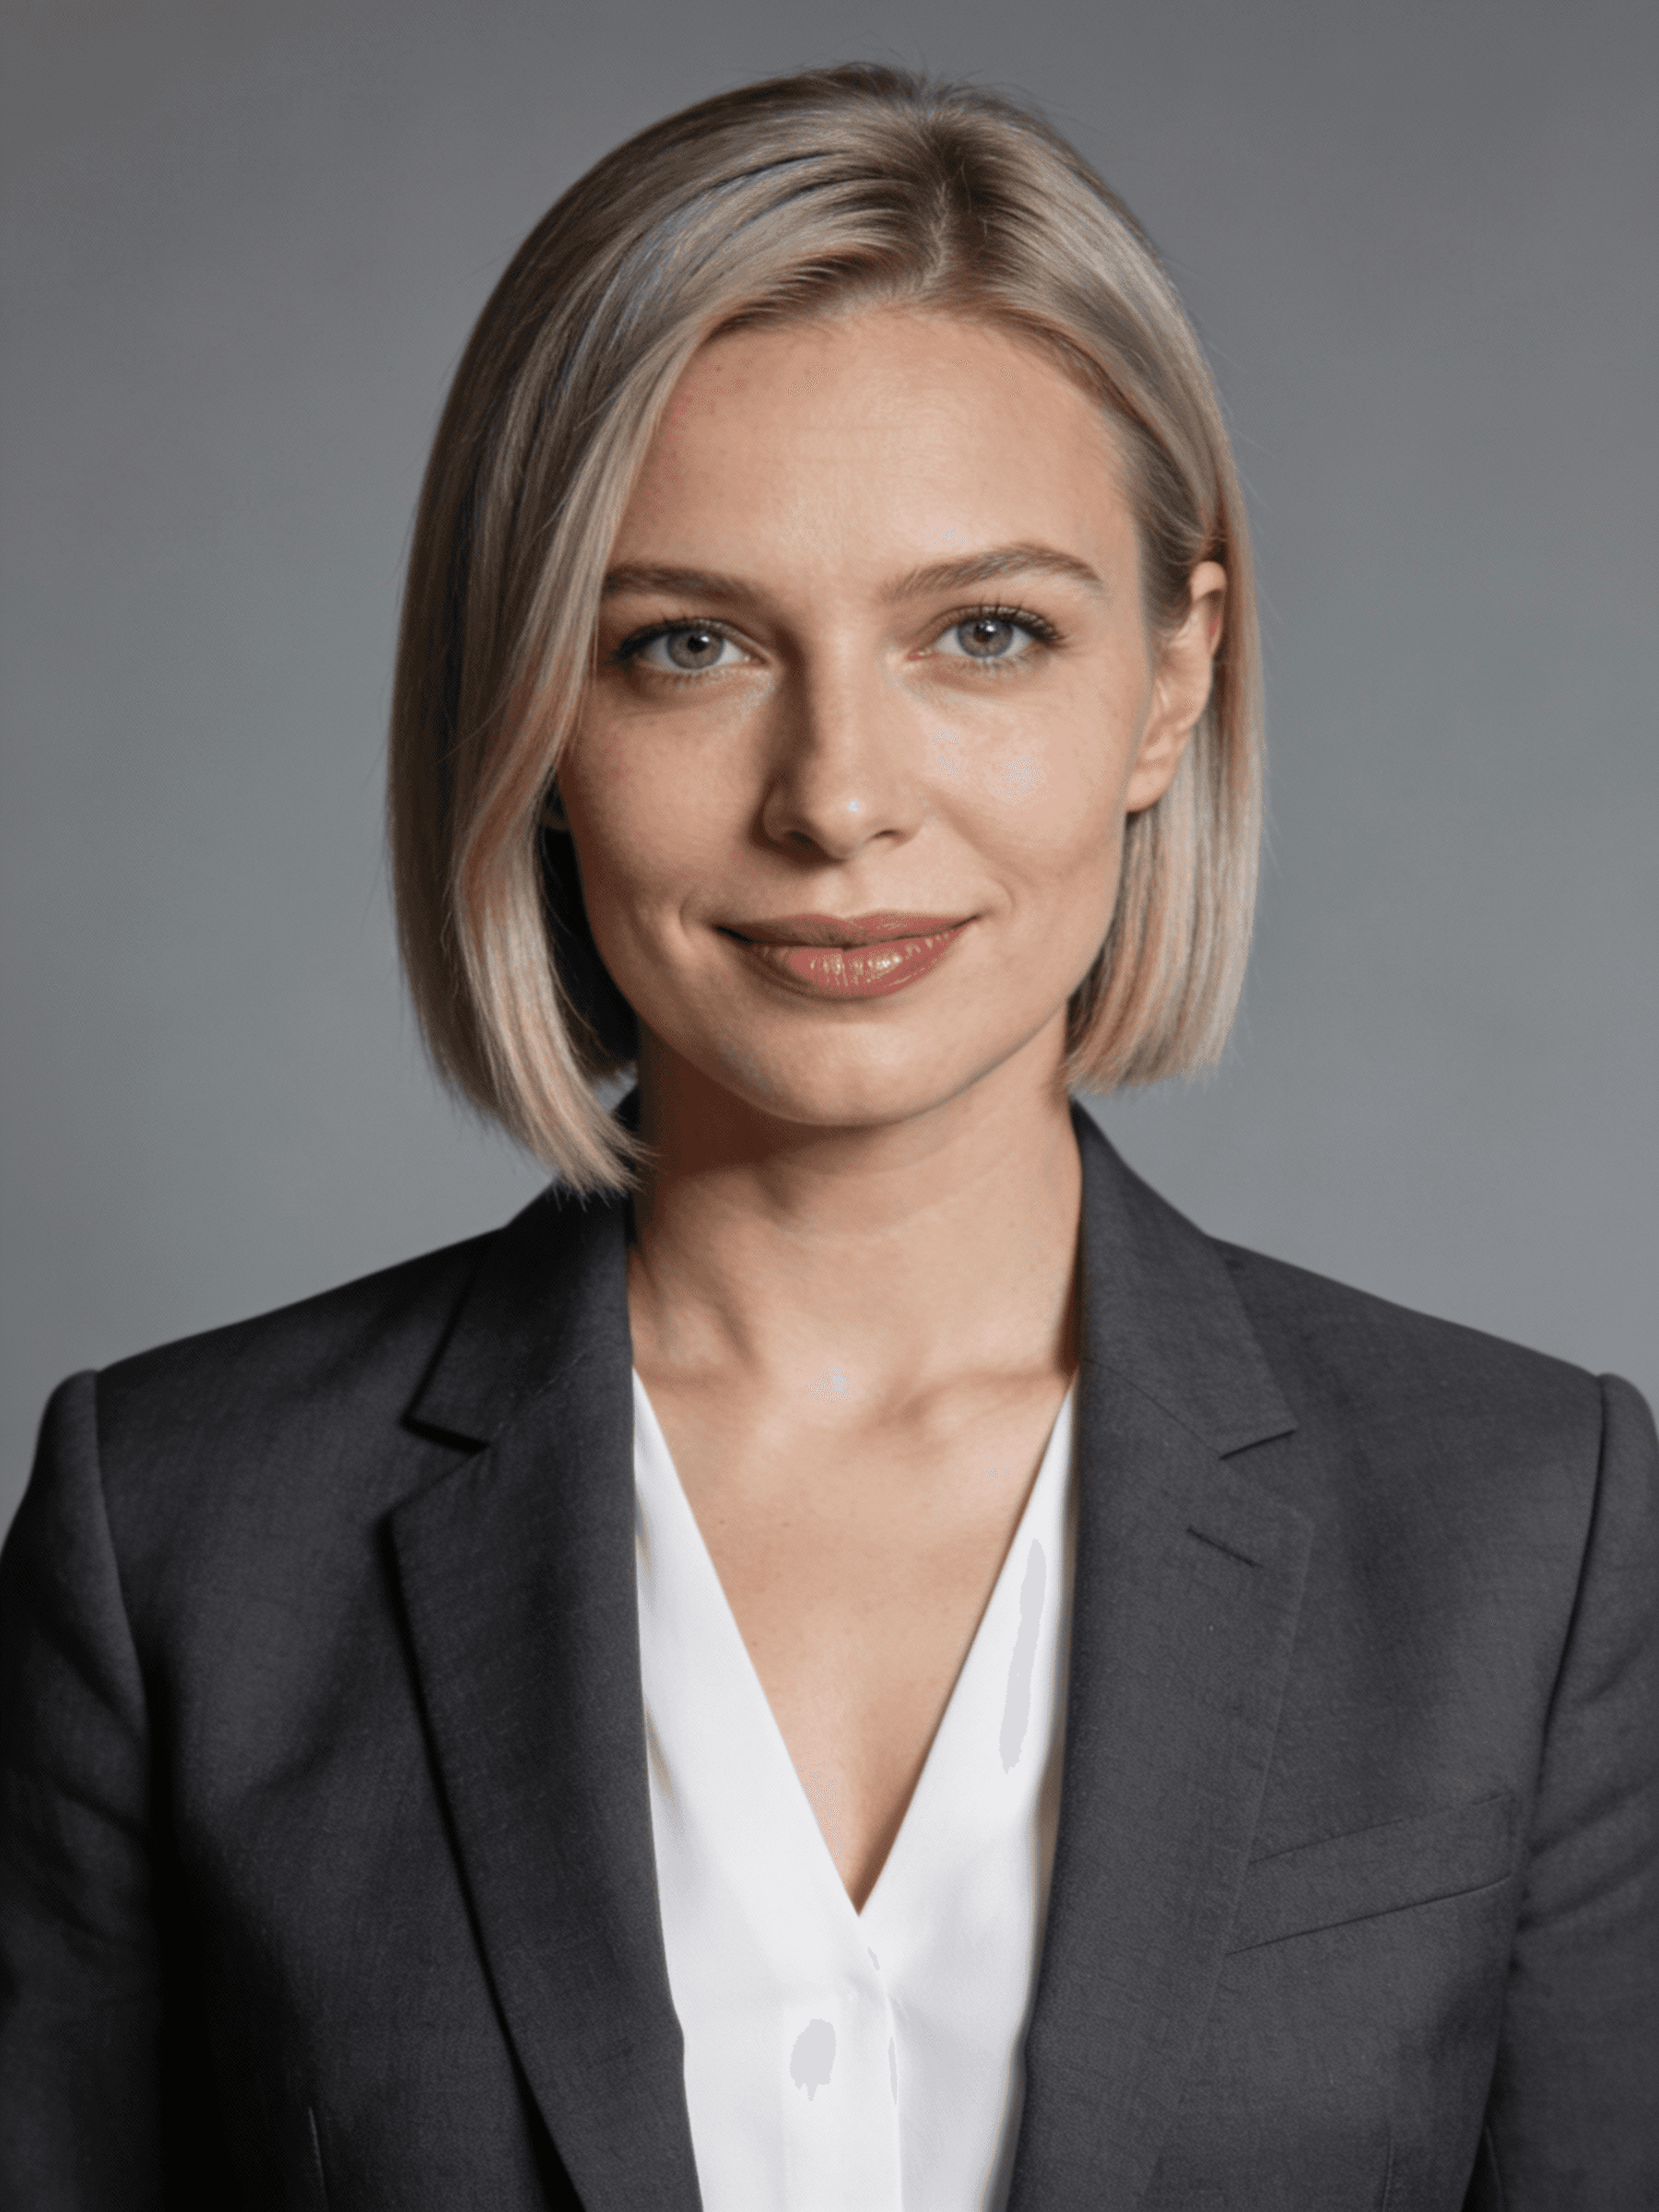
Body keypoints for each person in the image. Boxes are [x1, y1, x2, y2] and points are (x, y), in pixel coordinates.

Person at [1, 61, 1653, 2212]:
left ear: (1168, 685)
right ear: (535, 720)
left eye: (986, 634)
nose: (839, 794)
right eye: (686, 647)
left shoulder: (1535, 1536)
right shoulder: (184, 1543)